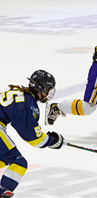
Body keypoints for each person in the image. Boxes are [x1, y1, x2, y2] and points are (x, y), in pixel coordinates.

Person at [0, 70, 64, 198]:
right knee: (18, 162)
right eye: (47, 90)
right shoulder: (27, 103)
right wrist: (52, 141)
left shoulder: (20, 93)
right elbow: (33, 138)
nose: (47, 94)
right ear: (41, 88)